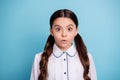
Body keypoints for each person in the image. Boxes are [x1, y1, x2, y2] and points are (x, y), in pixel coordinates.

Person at [30, 9, 97, 80]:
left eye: (69, 29)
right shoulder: (39, 58)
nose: (64, 34)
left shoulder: (87, 57)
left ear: (76, 31)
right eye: (58, 29)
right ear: (51, 31)